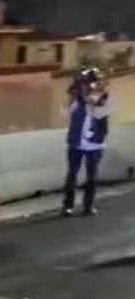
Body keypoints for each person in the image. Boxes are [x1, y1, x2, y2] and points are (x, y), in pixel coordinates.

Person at [62, 67, 112, 217]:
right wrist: (73, 99)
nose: (89, 87)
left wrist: (90, 102)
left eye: (93, 83)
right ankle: (68, 206)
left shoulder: (104, 99)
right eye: (86, 83)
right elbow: (65, 113)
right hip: (76, 143)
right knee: (72, 175)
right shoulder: (76, 100)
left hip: (95, 144)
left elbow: (99, 115)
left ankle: (88, 206)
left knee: (91, 177)